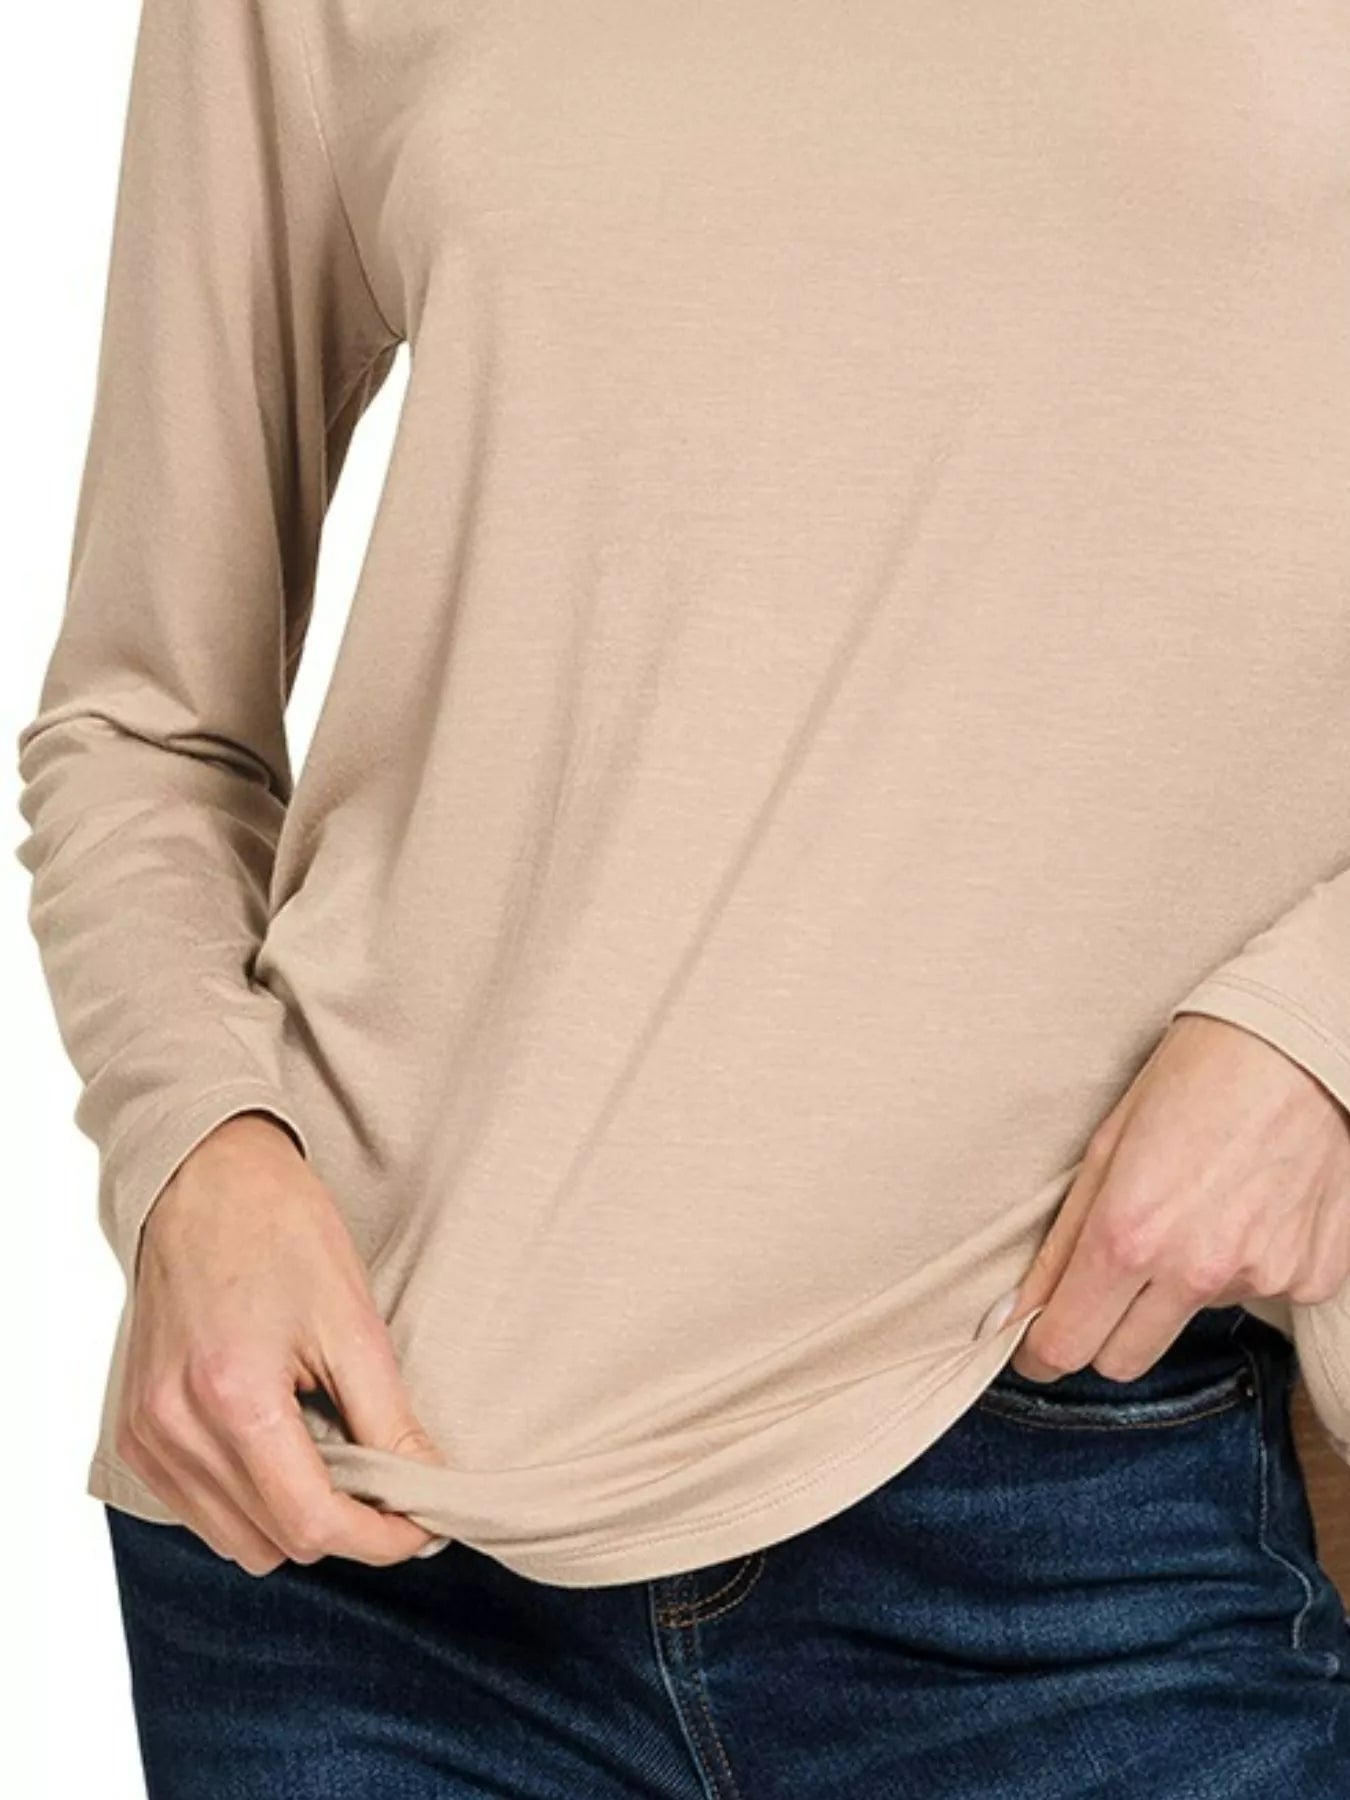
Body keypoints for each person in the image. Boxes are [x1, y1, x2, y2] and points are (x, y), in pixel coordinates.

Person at [15, 1, 1350, 1792]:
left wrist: (1316, 1027)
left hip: (1080, 1479)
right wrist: (196, 1155)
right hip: (357, 1515)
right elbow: (140, 716)